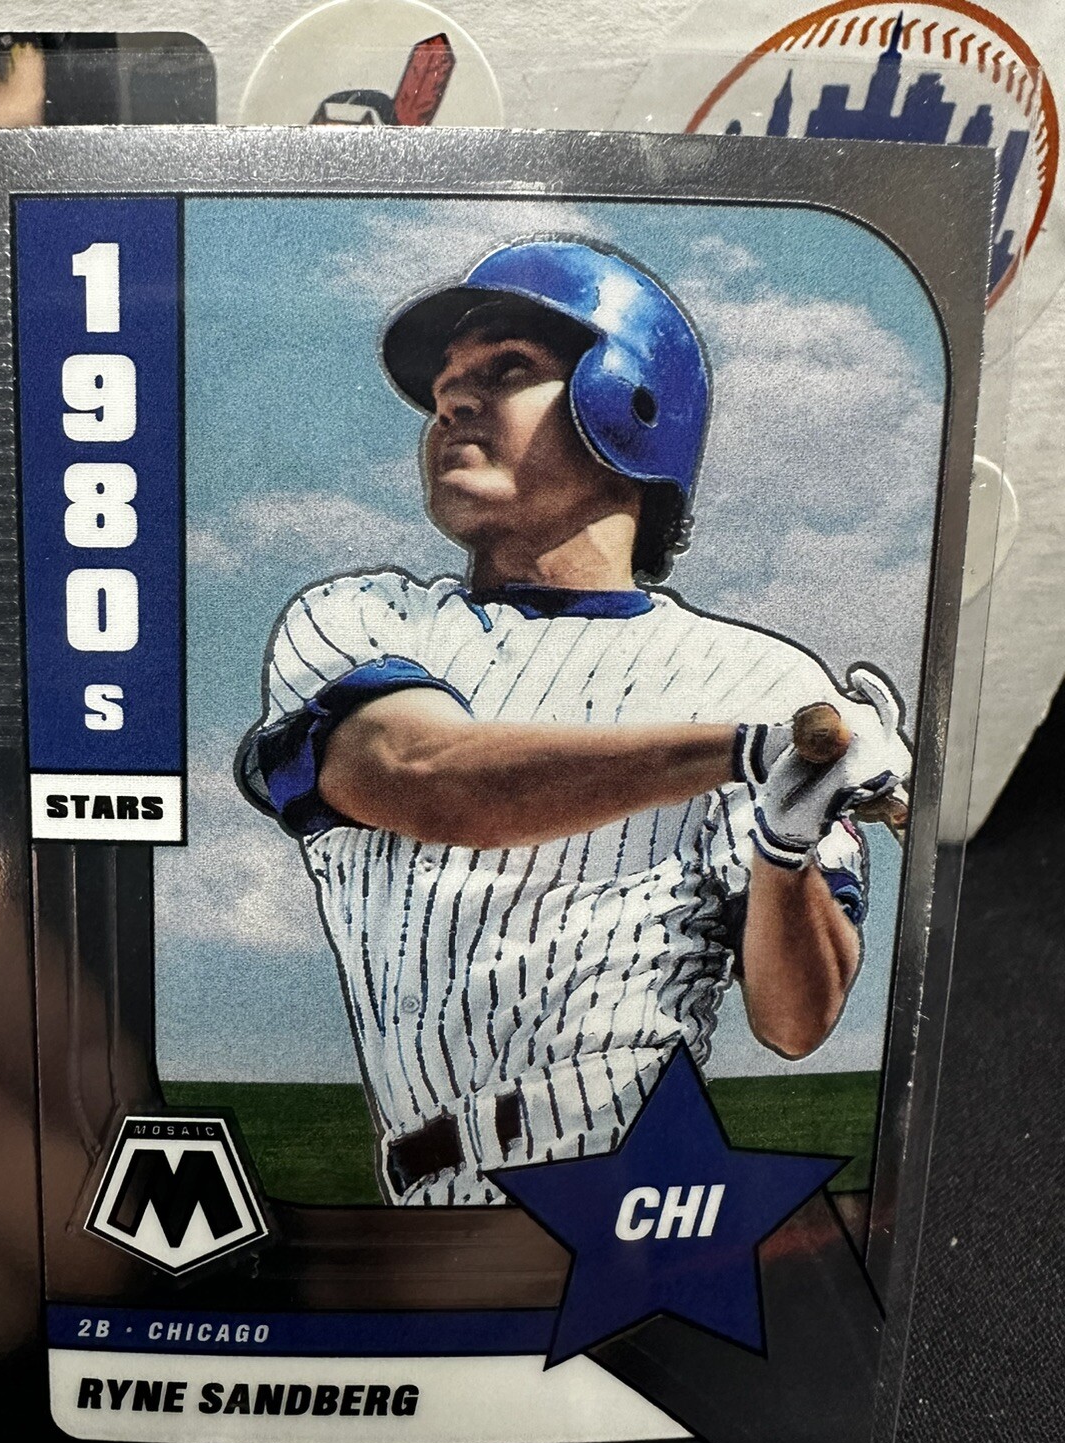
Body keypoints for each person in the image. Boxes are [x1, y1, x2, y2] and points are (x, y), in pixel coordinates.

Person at [235, 239, 910, 1206]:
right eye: (445, 388)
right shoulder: (360, 619)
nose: (451, 404)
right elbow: (426, 776)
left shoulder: (762, 677)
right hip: (431, 1197)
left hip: (636, 1180)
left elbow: (795, 1021)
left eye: (505, 370)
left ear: (630, 401)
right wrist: (740, 751)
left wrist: (786, 842)